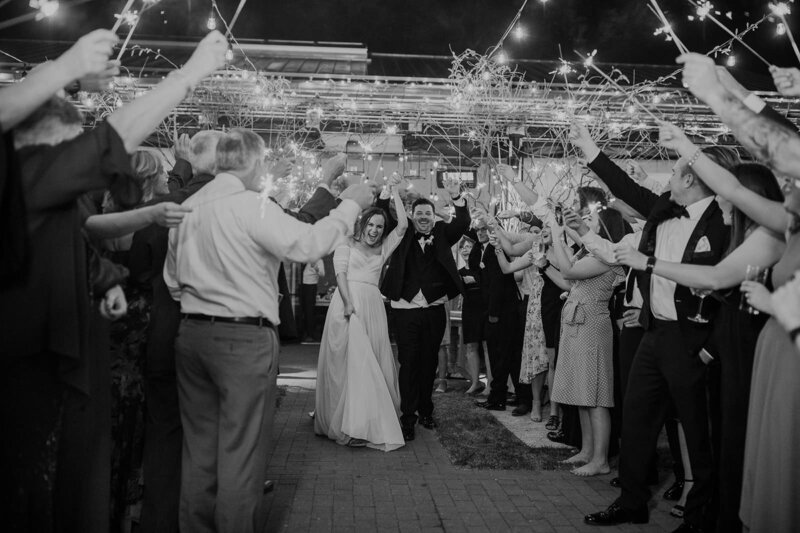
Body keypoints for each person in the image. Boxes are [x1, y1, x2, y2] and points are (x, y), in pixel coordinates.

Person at [0, 30, 228, 532]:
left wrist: (106, 281)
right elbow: (110, 141)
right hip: (26, 372)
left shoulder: (46, 193)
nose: (78, 167)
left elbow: (77, 234)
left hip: (65, 356)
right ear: (35, 147)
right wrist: (188, 75)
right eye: (66, 150)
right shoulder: (21, 177)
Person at [164, 128, 373, 532]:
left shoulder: (189, 207)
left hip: (191, 336)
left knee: (198, 456)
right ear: (254, 164)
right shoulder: (250, 206)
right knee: (242, 456)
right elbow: (308, 246)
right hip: (242, 341)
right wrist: (348, 207)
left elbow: (173, 281)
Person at [571, 119, 736, 531]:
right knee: (637, 418)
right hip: (654, 333)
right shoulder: (663, 209)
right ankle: (631, 501)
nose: (670, 175)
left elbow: (728, 289)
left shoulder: (725, 222)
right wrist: (590, 149)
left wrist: (709, 345)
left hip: (692, 339)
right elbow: (627, 189)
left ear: (694, 179)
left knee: (699, 431)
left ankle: (702, 515)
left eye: (678, 169)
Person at [315, 173, 408, 450]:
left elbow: (402, 226)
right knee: (347, 364)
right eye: (371, 224)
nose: (375, 230)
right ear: (363, 224)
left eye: (380, 226)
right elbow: (340, 274)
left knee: (371, 363)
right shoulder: (346, 242)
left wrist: (395, 192)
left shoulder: (383, 250)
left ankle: (365, 420)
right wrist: (347, 303)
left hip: (373, 307)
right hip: (348, 305)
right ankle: (343, 419)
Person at [378, 178, 470, 442]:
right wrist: (387, 193)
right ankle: (408, 417)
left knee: (429, 361)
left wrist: (457, 198)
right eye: (419, 214)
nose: (423, 218)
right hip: (404, 308)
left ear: (433, 217)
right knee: (408, 363)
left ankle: (426, 411)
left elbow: (462, 224)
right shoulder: (402, 230)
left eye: (427, 214)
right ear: (412, 215)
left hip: (433, 307)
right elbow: (384, 215)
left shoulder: (442, 232)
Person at [550, 207, 627, 477]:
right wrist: (557, 218)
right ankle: (586, 449)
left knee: (595, 395)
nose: (585, 224)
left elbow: (569, 271)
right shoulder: (590, 252)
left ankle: (601, 459)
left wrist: (557, 236)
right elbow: (570, 279)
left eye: (591, 220)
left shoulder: (607, 256)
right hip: (577, 322)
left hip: (593, 324)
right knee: (582, 393)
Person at [301, 259, 325, 341]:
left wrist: (315, 267)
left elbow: (322, 274)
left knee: (309, 310)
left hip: (311, 286)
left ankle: (310, 334)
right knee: (304, 310)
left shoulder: (319, 261)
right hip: (303, 286)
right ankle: (304, 333)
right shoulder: (306, 259)